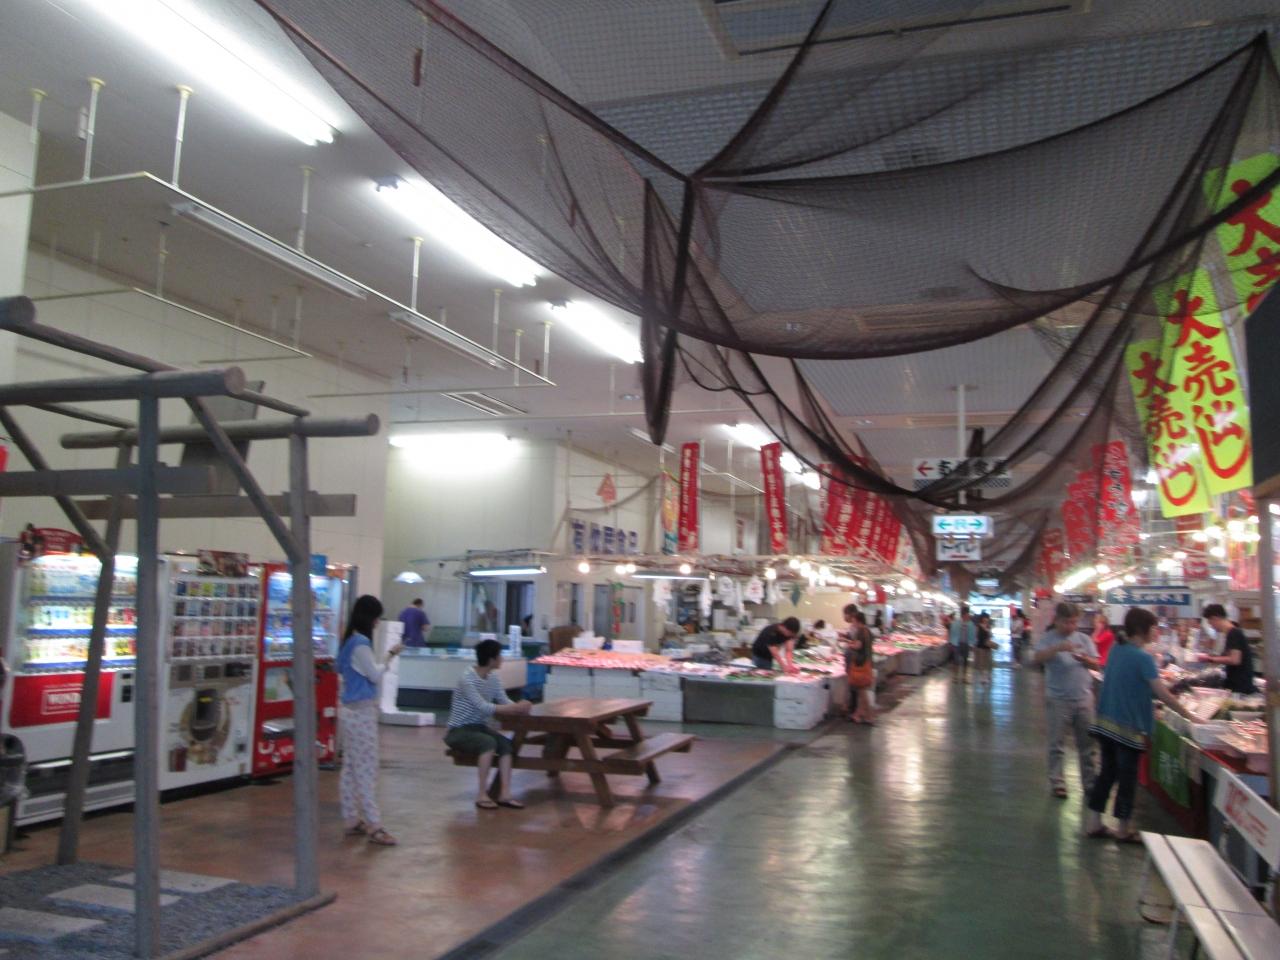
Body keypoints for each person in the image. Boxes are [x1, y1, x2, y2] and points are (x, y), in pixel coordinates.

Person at [1085, 608, 1189, 841]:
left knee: (1107, 774)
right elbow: (1161, 693)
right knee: (1127, 778)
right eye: (1154, 628)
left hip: (1106, 722)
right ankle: (1123, 829)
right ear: (1143, 630)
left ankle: (1094, 823)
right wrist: (1188, 714)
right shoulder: (1143, 658)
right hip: (1128, 727)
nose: (1156, 632)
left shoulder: (1117, 649)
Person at [337, 594, 403, 846]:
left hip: (348, 711)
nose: (378, 622)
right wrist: (390, 656)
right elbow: (374, 675)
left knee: (350, 768)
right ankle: (375, 825)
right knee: (366, 769)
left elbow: (340, 669)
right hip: (362, 713)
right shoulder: (361, 644)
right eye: (376, 617)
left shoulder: (347, 642)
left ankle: (351, 818)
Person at [444, 638, 533, 810]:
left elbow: (504, 700)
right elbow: (484, 707)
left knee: (506, 746)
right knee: (488, 743)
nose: (502, 659)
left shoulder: (493, 678)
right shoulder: (467, 679)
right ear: (491, 659)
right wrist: (516, 707)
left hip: (479, 728)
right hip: (459, 730)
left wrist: (519, 707)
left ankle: (505, 793)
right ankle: (482, 794)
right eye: (500, 655)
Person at [1033, 601, 1099, 800]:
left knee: (1087, 745)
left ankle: (1089, 783)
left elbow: (1096, 664)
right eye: (1066, 622)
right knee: (1057, 743)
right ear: (1057, 620)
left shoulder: (1084, 639)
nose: (1070, 626)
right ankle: (1057, 781)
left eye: (1074, 622)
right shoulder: (1048, 639)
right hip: (1058, 699)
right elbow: (1038, 658)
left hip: (1084, 698)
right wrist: (1057, 648)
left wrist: (1086, 660)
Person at [1199, 604, 1256, 694]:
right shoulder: (1230, 633)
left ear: (1215, 618)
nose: (1211, 626)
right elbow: (1229, 656)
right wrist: (1213, 657)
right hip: (1235, 683)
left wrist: (1210, 659)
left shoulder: (1234, 633)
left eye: (1210, 623)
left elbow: (1235, 660)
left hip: (1240, 687)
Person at [845, 611, 876, 724]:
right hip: (867, 663)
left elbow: (858, 646)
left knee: (862, 692)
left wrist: (849, 644)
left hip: (860, 665)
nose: (852, 623)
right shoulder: (868, 631)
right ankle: (858, 715)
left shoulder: (861, 631)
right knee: (862, 692)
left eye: (853, 621)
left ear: (858, 621)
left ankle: (869, 716)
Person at [948, 605, 976, 684]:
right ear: (963, 614)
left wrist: (972, 644)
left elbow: (973, 635)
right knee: (956, 661)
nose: (968, 615)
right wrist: (951, 643)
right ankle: (955, 677)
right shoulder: (955, 623)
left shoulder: (971, 624)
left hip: (966, 644)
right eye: (966, 614)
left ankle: (964, 677)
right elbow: (952, 633)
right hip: (956, 644)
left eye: (968, 614)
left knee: (965, 661)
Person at [973, 612, 994, 687]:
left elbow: (990, 635)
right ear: (982, 618)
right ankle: (982, 677)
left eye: (987, 618)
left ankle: (987, 675)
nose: (986, 619)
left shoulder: (989, 626)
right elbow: (976, 636)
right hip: (980, 646)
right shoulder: (978, 626)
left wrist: (988, 630)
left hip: (987, 646)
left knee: (988, 661)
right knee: (981, 662)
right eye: (985, 618)